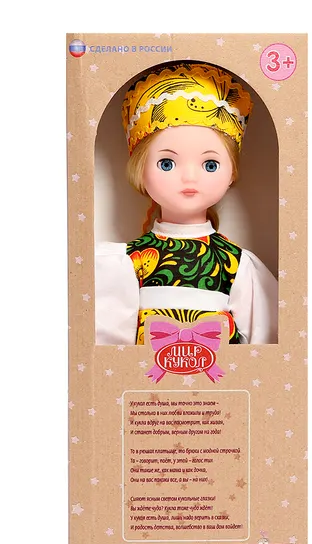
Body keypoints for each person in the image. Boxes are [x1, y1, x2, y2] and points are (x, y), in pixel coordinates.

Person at [95, 62, 278, 346]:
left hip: (222, 375)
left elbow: (268, 349)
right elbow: (111, 353)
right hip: (148, 376)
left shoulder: (236, 263)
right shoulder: (128, 262)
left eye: (210, 164)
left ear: (232, 173)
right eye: (167, 163)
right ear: (140, 171)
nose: (190, 177)